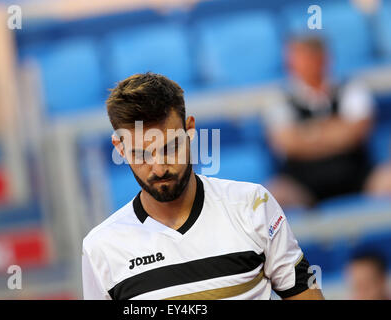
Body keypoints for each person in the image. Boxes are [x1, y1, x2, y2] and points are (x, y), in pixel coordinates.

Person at [82, 72, 324, 300]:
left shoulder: (251, 206)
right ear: (120, 148)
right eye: (140, 154)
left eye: (170, 148)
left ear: (190, 129)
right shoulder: (101, 247)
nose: (158, 168)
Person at [265, 35, 391, 208]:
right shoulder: (279, 99)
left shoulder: (351, 88)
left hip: (357, 175)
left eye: (308, 58)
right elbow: (288, 143)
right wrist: (335, 129)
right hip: (304, 184)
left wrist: (307, 134)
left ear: (324, 58)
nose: (299, 64)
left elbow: (356, 132)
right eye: (296, 58)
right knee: (273, 196)